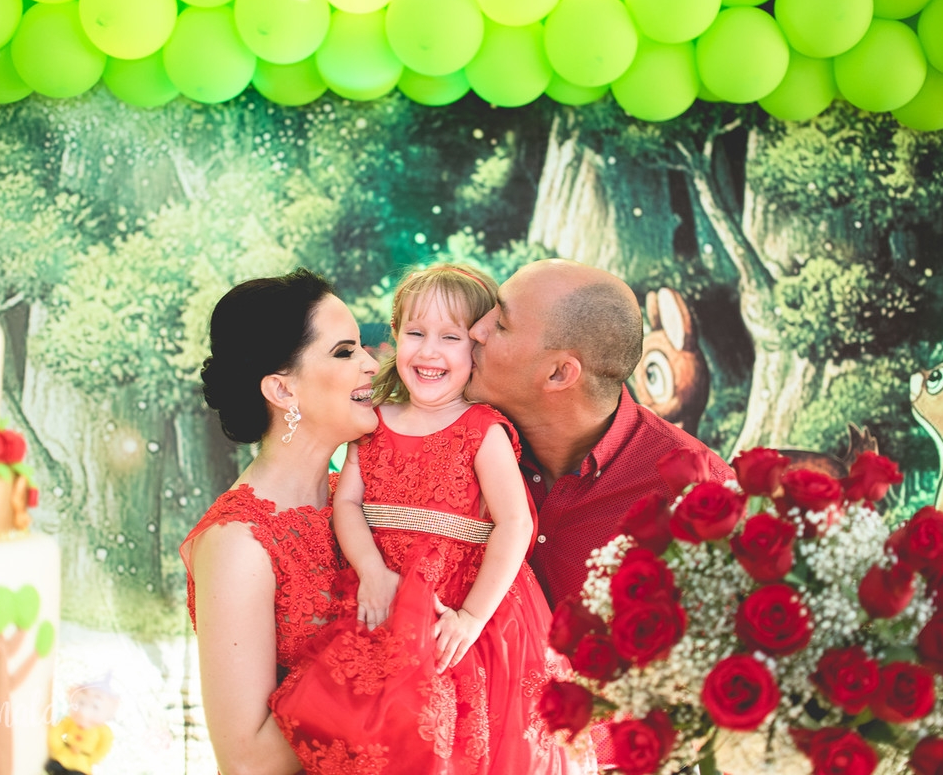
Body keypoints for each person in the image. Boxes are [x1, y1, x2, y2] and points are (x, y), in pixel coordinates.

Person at [270, 264, 588, 774]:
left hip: (465, 608)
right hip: (388, 595)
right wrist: (372, 570)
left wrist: (472, 617)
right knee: (387, 735)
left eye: (451, 337)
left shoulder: (482, 429)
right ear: (396, 336)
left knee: (467, 737)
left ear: (476, 349)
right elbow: (347, 505)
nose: (430, 351)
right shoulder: (372, 422)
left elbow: (516, 524)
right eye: (416, 333)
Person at [466, 258, 734, 769]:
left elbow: (708, 689)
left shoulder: (695, 493)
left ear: (560, 372)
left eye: (498, 323)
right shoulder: (457, 441)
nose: (473, 332)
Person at [180, 268, 381, 775]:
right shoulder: (238, 544)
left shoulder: (361, 505)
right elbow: (247, 761)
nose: (372, 365)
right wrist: (389, 653)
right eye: (345, 352)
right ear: (282, 390)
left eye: (362, 349)